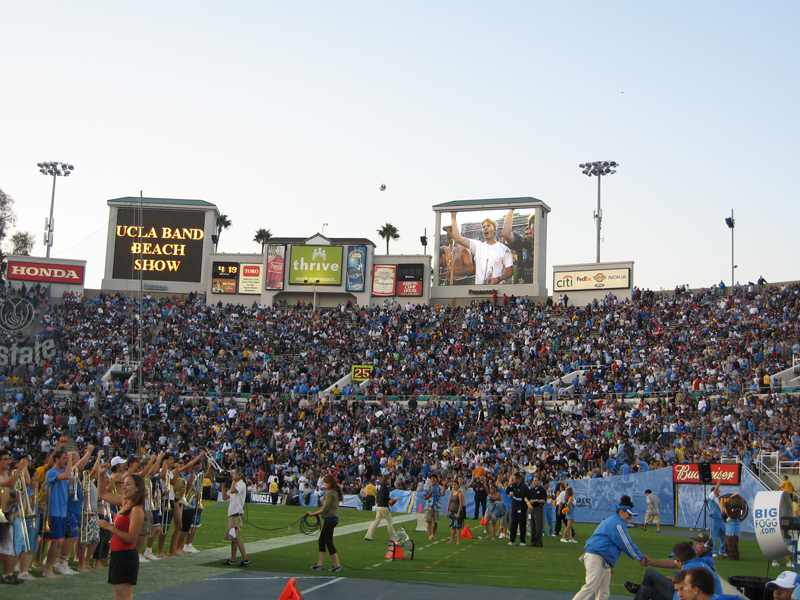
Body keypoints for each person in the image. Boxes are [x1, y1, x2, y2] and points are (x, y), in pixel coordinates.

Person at [571, 495, 648, 600]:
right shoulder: (617, 524)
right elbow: (626, 544)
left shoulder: (614, 521)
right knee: (591, 587)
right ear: (621, 512)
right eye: (629, 514)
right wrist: (640, 557)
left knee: (604, 592)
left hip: (603, 559)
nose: (630, 517)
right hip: (596, 557)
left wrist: (610, 564)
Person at [97, 471, 146, 600]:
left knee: (122, 597)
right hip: (118, 554)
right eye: (123, 484)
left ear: (137, 489)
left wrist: (110, 528)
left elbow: (132, 539)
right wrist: (101, 474)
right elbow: (102, 494)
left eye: (128, 484)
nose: (124, 487)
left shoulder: (136, 509)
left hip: (126, 556)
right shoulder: (125, 502)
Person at [624, 542, 722, 600]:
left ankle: (641, 587)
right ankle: (642, 588)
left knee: (650, 572)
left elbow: (679, 594)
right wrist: (650, 562)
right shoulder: (697, 563)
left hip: (686, 597)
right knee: (645, 590)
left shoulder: (690, 570)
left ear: (680, 560)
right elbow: (671, 564)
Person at [450, 212, 513, 285]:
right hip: (479, 292)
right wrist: (453, 216)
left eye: (488, 226)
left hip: (496, 291)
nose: (485, 228)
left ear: (495, 229)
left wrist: (498, 279)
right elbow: (458, 238)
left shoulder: (504, 249)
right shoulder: (477, 246)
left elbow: (510, 271)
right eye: (483, 227)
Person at [308, 474, 343, 572]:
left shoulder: (331, 493)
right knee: (322, 541)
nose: (324, 484)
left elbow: (325, 508)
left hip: (330, 519)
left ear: (330, 483)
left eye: (325, 482)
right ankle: (320, 564)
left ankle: (338, 565)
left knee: (328, 542)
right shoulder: (333, 492)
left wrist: (313, 514)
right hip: (332, 518)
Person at [220, 468, 250, 567]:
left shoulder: (241, 484)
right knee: (233, 538)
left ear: (239, 475)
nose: (232, 475)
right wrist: (223, 483)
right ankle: (233, 560)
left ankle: (245, 559)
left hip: (236, 513)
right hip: (232, 513)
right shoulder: (236, 484)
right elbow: (225, 497)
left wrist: (233, 480)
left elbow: (232, 491)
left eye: (233, 474)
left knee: (237, 537)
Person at [501, 208, 535, 283]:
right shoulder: (526, 244)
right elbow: (506, 233)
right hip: (522, 286)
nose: (531, 235)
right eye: (533, 231)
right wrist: (511, 209)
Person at [364, 475, 398, 542]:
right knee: (389, 521)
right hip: (384, 507)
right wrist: (391, 499)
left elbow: (382, 497)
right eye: (389, 479)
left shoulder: (381, 487)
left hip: (379, 506)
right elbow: (384, 497)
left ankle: (368, 535)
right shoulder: (385, 487)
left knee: (376, 521)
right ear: (386, 480)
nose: (390, 480)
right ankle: (394, 537)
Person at [506, 472, 528, 546]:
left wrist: (514, 496)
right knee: (513, 524)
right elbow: (507, 491)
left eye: (514, 479)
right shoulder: (514, 485)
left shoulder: (524, 487)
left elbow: (523, 498)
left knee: (522, 525)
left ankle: (522, 540)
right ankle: (512, 539)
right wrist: (509, 484)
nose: (513, 480)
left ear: (518, 479)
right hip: (514, 508)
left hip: (521, 508)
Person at [526, 474, 546, 547]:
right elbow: (527, 497)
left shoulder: (542, 490)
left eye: (536, 480)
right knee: (533, 525)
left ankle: (539, 542)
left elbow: (544, 500)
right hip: (532, 508)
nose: (534, 482)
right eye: (534, 480)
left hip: (538, 508)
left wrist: (536, 500)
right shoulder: (532, 490)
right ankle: (533, 541)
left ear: (539, 481)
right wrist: (528, 502)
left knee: (538, 525)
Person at [708, 480, 726, 557]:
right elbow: (716, 488)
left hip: (720, 520)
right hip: (714, 519)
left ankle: (722, 550)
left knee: (724, 535)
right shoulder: (712, 496)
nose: (719, 492)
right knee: (714, 536)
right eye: (718, 491)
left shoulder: (717, 500)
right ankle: (714, 551)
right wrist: (720, 479)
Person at [424, 474, 442, 541]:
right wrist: (430, 492)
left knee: (436, 522)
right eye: (432, 479)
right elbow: (425, 497)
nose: (433, 480)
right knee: (428, 521)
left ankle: (433, 534)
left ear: (437, 479)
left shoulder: (439, 487)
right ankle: (429, 535)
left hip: (437, 506)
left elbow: (442, 494)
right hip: (429, 506)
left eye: (434, 478)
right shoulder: (428, 487)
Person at [447, 480, 464, 544]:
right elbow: (449, 502)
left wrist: (458, 512)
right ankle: (452, 539)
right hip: (451, 511)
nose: (454, 486)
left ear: (457, 485)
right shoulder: (451, 492)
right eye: (453, 485)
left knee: (458, 527)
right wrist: (447, 511)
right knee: (452, 527)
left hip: (457, 511)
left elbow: (460, 504)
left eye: (455, 485)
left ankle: (458, 540)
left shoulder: (460, 493)